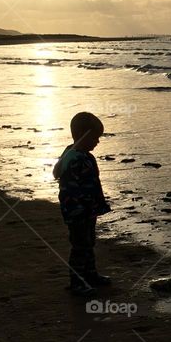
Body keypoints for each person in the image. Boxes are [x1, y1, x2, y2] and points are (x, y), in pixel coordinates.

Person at [53, 112, 112, 296]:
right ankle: (77, 282)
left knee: (89, 242)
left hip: (87, 209)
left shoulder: (79, 155)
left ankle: (90, 275)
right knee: (80, 245)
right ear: (85, 135)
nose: (97, 142)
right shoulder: (75, 158)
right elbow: (70, 189)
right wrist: (79, 208)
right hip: (77, 210)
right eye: (95, 137)